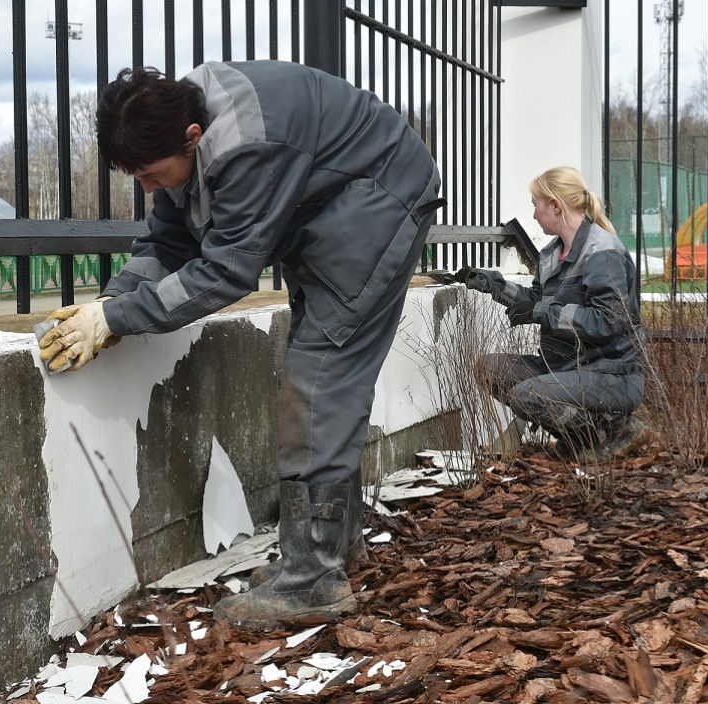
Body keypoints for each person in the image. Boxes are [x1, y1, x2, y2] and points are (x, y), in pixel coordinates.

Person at [37, 61, 442, 630]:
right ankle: (332, 550)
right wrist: (108, 305)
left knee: (320, 380)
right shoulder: (186, 123)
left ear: (192, 138)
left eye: (152, 174)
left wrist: (119, 318)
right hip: (339, 200)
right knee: (324, 377)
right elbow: (170, 236)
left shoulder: (245, 146)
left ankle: (314, 581)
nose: (148, 187)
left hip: (376, 202)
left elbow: (225, 272)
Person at [455, 167, 644, 457]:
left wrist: (542, 311)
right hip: (565, 368)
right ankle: (582, 441)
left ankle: (615, 432)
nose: (533, 214)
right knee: (489, 367)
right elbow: (536, 299)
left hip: (610, 374)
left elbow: (609, 321)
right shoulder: (552, 254)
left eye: (536, 205)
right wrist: (491, 284)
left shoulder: (601, 252)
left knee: (527, 395)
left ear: (556, 206)